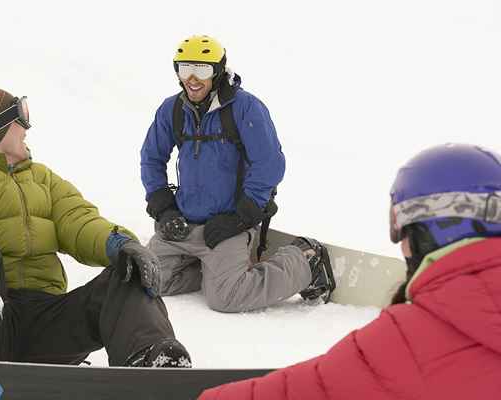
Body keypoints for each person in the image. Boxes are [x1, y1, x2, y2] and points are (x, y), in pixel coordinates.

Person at [0, 88, 191, 368]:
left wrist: (119, 243)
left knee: (128, 269)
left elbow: (78, 220)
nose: (27, 126)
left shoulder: (42, 179)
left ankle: (150, 361)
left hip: (48, 321)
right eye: (20, 116)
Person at [198, 143, 501, 399]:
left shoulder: (406, 341)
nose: (402, 246)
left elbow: (305, 390)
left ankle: (306, 260)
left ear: (430, 227)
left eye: (402, 231)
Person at [140, 35, 336, 313]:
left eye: (202, 69)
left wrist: (241, 216)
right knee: (145, 279)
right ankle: (210, 269)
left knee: (226, 298)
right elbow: (151, 158)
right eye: (185, 69)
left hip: (228, 225)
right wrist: (164, 208)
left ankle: (306, 260)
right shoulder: (171, 109)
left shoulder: (245, 108)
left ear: (218, 71)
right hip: (184, 223)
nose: (192, 78)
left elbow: (270, 164)